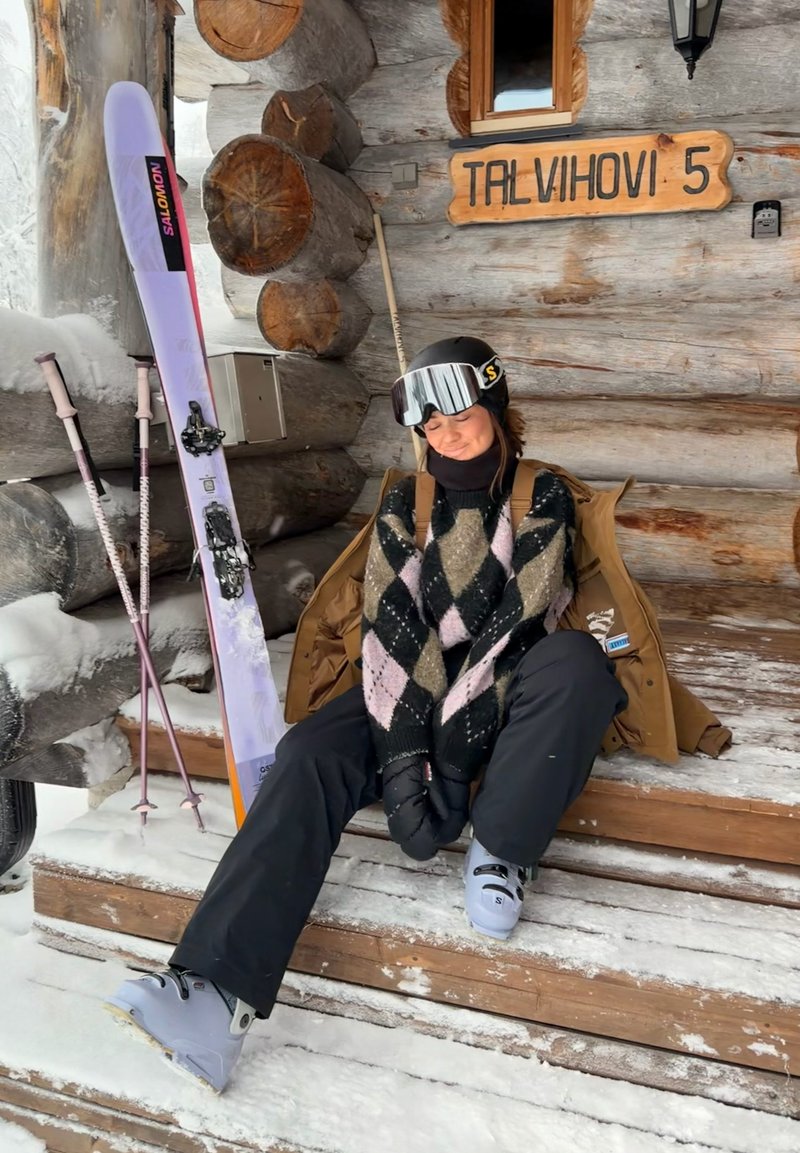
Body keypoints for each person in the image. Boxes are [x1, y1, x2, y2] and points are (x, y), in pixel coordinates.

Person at [105, 336, 627, 1093]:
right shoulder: (403, 500)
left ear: (497, 408)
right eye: (431, 427)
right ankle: (212, 996)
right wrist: (403, 758)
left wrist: (447, 759)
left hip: (513, 680)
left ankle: (504, 847)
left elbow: (521, 620)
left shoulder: (538, 493)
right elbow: (393, 626)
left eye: (461, 417)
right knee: (314, 748)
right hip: (418, 678)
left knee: (578, 667)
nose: (445, 435)